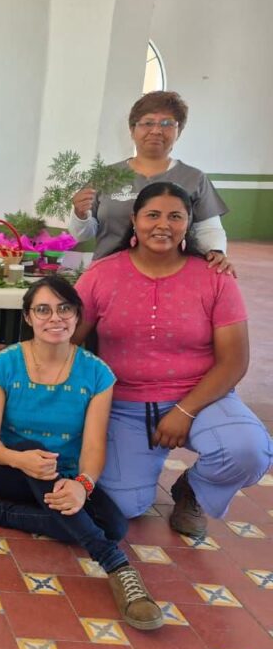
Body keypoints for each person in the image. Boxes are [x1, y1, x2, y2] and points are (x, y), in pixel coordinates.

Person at [0, 277, 162, 631]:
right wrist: (20, 459)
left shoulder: (97, 374)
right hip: (6, 467)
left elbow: (93, 446)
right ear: (28, 317)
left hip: (64, 473)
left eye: (64, 309)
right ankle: (117, 566)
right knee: (36, 455)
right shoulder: (3, 365)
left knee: (114, 525)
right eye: (43, 310)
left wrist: (82, 486)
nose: (55, 318)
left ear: (77, 315)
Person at [75, 181, 271, 536]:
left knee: (248, 450)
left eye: (175, 216)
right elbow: (66, 338)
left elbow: (234, 361)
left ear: (189, 222)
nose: (163, 225)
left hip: (202, 398)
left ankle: (192, 489)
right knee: (121, 506)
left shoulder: (215, 277)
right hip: (123, 405)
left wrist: (185, 411)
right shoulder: (101, 274)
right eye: (152, 215)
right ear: (134, 220)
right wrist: (11, 357)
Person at [68, 91, 233, 272]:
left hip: (171, 274)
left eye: (167, 123)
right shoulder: (106, 176)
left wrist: (216, 251)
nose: (156, 130)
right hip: (108, 273)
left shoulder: (194, 179)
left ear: (178, 131)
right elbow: (82, 234)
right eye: (148, 123)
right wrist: (80, 214)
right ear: (132, 130)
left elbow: (208, 229)